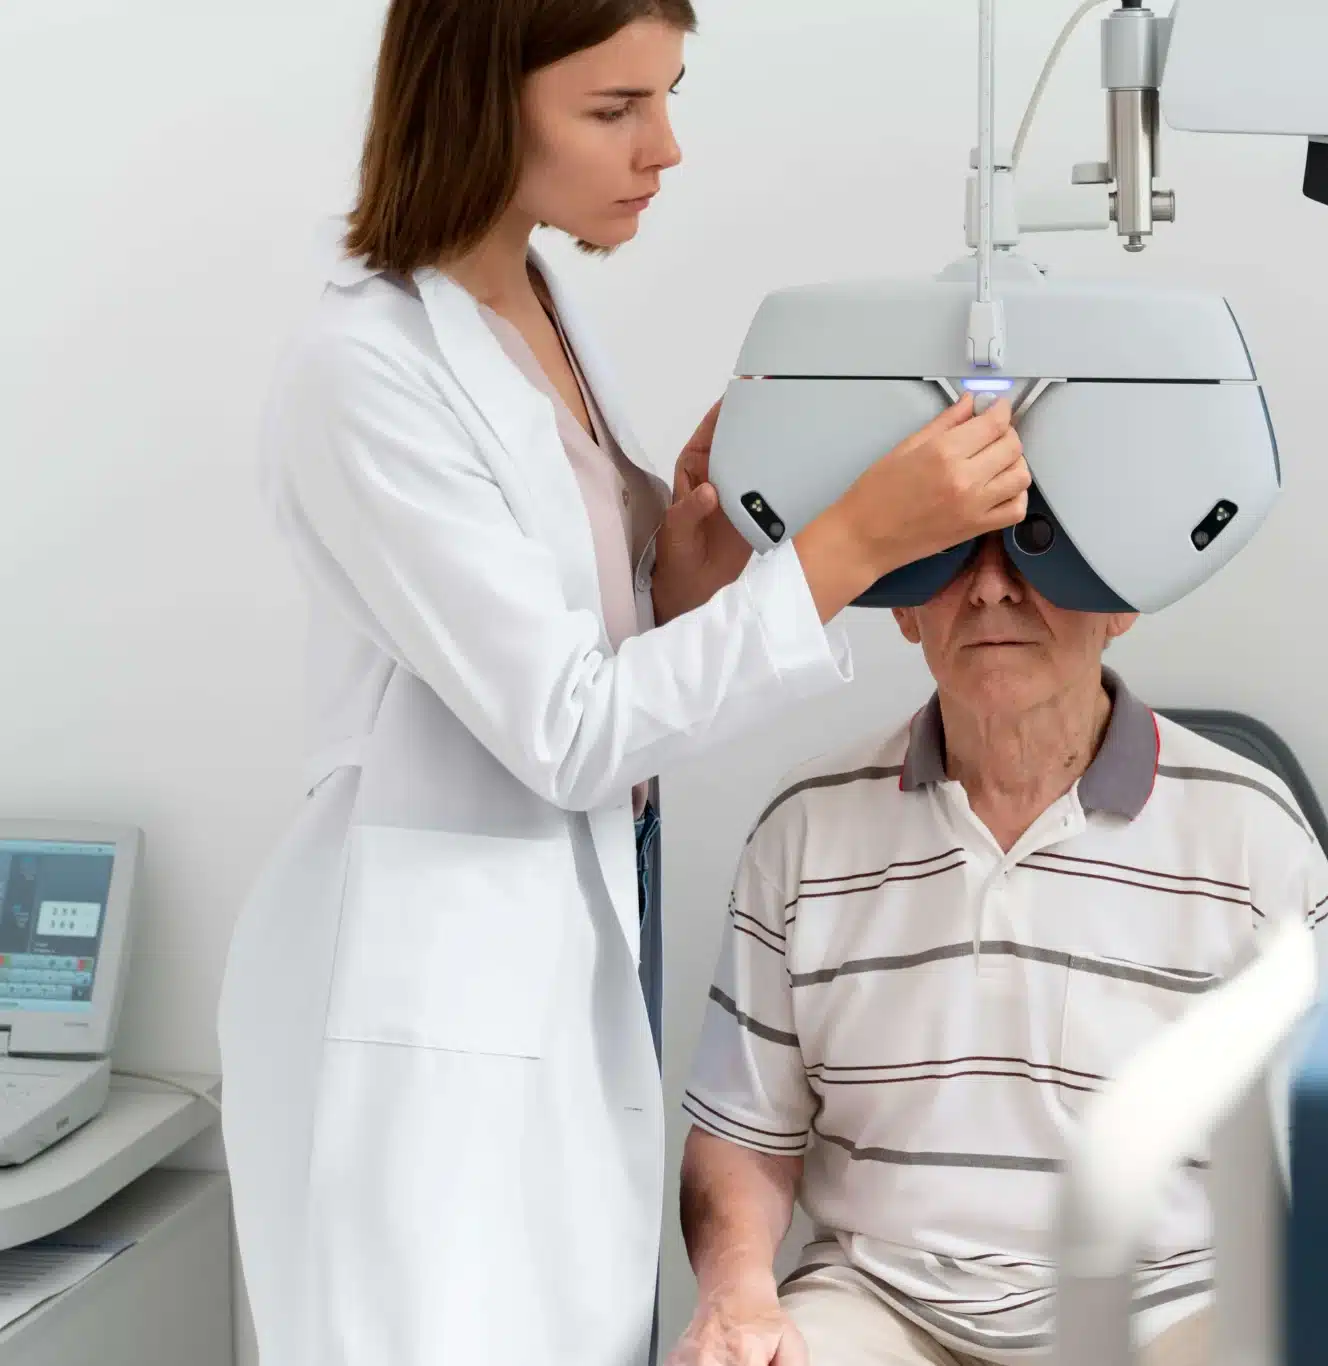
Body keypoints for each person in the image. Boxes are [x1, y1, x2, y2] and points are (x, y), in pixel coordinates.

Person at [214, 2, 1031, 1364]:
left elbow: (594, 634)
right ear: (480, 101)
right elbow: (568, 724)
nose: (665, 147)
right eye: (614, 109)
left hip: (575, 926)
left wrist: (691, 553)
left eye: (667, 96)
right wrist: (848, 550)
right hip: (425, 1010)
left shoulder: (539, 304)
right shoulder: (359, 374)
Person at [671, 537, 1328, 1366]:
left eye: (1038, 547)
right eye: (953, 550)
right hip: (882, 1305)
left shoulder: (1250, 830)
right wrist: (737, 1292)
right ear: (903, 605)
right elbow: (742, 1137)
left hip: (1168, 1305)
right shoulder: (806, 826)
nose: (992, 589)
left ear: (1121, 600)